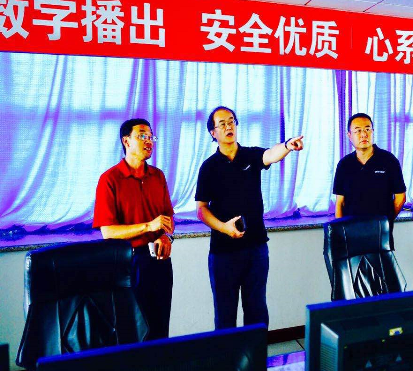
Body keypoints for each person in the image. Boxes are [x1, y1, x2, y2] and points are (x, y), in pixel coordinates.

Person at [195, 106, 303, 329]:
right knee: (225, 315)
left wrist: (287, 145)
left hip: (256, 248)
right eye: (222, 124)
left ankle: (256, 352)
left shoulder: (250, 155)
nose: (229, 126)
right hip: (223, 252)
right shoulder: (209, 167)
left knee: (257, 310)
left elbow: (270, 155)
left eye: (231, 121)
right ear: (213, 132)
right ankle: (228, 353)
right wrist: (224, 228)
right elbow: (201, 210)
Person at [93, 118, 175, 340]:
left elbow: (168, 220)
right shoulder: (110, 179)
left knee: (160, 329)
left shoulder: (158, 176)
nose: (149, 141)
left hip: (159, 260)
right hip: (128, 263)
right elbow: (108, 232)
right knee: (133, 332)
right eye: (142, 136)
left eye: (151, 137)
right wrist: (149, 226)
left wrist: (166, 237)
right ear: (126, 141)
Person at [333, 113, 406, 249]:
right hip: (351, 233)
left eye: (367, 129)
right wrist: (341, 231)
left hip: (380, 234)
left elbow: (400, 197)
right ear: (349, 135)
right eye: (358, 131)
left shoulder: (389, 160)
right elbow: (339, 203)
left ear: (373, 131)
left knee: (382, 264)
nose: (363, 134)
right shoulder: (344, 165)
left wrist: (386, 221)